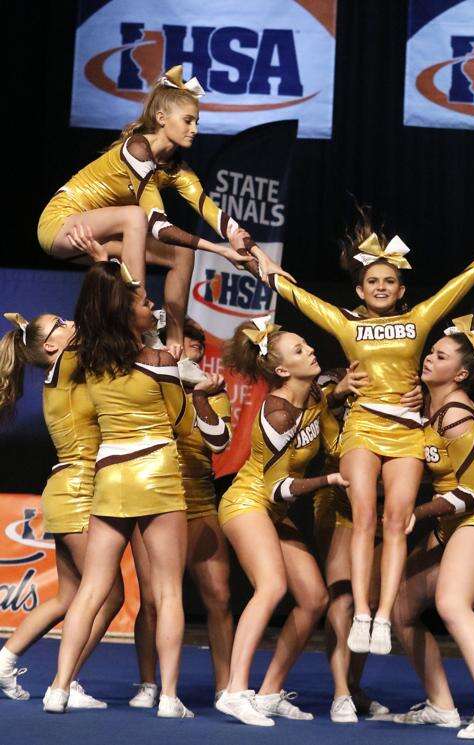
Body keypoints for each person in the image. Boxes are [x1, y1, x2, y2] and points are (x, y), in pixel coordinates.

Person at [264, 213, 474, 656]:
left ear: (400, 290)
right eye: (373, 281)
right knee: (363, 517)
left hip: (407, 431)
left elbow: (463, 281)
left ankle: (382, 618)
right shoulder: (346, 323)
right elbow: (296, 295)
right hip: (363, 425)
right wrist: (254, 259)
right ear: (360, 291)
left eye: (389, 281)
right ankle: (363, 613)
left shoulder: (419, 318)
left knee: (395, 523)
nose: (381, 287)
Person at [36, 65, 289, 348]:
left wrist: (260, 256)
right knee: (135, 216)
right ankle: (137, 319)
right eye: (188, 121)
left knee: (182, 253)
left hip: (98, 238)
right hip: (61, 224)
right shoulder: (136, 149)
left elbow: (217, 216)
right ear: (161, 118)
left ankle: (175, 344)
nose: (195, 130)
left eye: (197, 122)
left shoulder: (177, 170)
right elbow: (158, 226)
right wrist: (222, 251)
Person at [44, 261, 195, 718]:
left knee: (91, 588)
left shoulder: (88, 359)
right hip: (157, 472)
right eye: (144, 302)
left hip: (110, 475)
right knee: (168, 591)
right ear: (127, 313)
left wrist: (103, 270)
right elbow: (180, 420)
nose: (152, 306)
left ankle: (58, 687)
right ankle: (168, 697)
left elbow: (97, 307)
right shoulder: (159, 361)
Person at [213, 317, 349, 726]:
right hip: (249, 501)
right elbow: (277, 488)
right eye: (298, 350)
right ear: (282, 370)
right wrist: (328, 480)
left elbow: (333, 390)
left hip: (274, 510)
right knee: (271, 586)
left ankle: (269, 692)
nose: (310, 350)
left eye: (306, 344)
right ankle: (235, 690)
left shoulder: (314, 395)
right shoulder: (278, 413)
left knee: (314, 599)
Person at [391, 317, 474, 739]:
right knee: (400, 609)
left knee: (452, 603)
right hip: (452, 520)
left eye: (441, 356)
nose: (429, 358)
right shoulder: (428, 407)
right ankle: (441, 705)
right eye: (431, 351)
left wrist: (418, 512)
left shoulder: (457, 414)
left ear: (460, 374)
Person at [0, 301, 122, 708]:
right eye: (59, 323)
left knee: (69, 597)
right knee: (109, 595)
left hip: (67, 489)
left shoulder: (63, 370)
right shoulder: (67, 364)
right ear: (52, 347)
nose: (69, 323)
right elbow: (95, 325)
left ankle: (4, 660)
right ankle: (65, 682)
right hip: (76, 491)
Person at [126, 317, 235, 707]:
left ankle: (227, 687)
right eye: (186, 341)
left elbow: (219, 442)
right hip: (154, 501)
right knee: (152, 599)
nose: (193, 347)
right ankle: (148, 683)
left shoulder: (212, 390)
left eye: (196, 343)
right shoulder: (150, 383)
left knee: (219, 596)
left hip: (199, 501)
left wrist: (201, 396)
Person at [313, 367, 394, 723]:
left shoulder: (400, 383)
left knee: (371, 601)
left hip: (382, 504)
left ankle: (354, 685)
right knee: (344, 598)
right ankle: (340, 692)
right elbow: (316, 419)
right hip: (339, 499)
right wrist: (335, 394)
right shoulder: (334, 382)